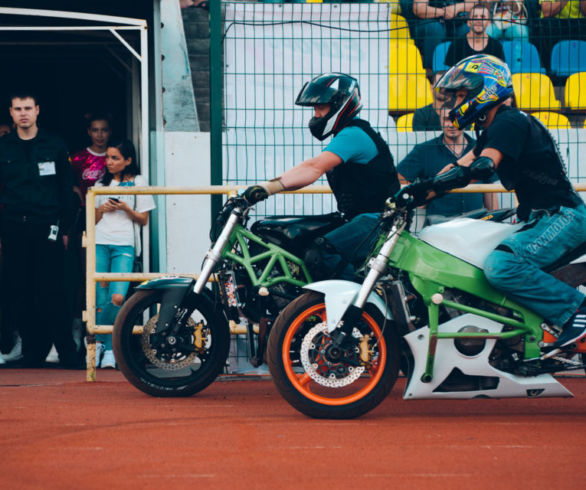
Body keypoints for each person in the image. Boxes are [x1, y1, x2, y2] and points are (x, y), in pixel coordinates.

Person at [399, 54, 586, 350]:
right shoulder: (497, 128)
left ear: (485, 90)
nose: (457, 103)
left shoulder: (509, 122)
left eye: (463, 95)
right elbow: (460, 167)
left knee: (501, 265)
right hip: (540, 216)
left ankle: (579, 311)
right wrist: (417, 193)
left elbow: (484, 165)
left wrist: (445, 181)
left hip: (562, 216)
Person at [241, 73, 400, 280]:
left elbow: (313, 168)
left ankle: (367, 301)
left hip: (378, 221)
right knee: (287, 237)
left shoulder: (354, 134)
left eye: (320, 108)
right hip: (358, 219)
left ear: (340, 105)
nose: (316, 115)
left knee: (320, 254)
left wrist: (268, 187)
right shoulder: (346, 134)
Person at [0, 91, 79, 368]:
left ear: (37, 111)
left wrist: (66, 228)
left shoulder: (54, 145)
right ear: (10, 113)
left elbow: (66, 190)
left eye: (28, 108)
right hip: (13, 228)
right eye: (18, 108)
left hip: (47, 227)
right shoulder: (4, 147)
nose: (23, 113)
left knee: (52, 291)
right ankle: (32, 351)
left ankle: (67, 352)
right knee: (19, 292)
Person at [94, 138, 155, 368]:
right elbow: (93, 220)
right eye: (107, 157)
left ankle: (107, 346)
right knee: (100, 299)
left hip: (125, 245)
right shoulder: (101, 183)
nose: (109, 162)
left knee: (117, 297)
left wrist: (126, 208)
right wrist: (102, 208)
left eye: (115, 158)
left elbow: (144, 219)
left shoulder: (139, 181)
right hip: (100, 242)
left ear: (128, 160)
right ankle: (104, 347)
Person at [398, 103, 498, 223]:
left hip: (474, 224)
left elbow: (490, 189)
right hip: (437, 226)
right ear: (440, 118)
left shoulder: (481, 149)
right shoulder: (424, 150)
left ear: (466, 119)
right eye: (446, 119)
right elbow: (400, 177)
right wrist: (417, 199)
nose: (451, 124)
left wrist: (493, 222)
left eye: (456, 119)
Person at [410, 0, 473, 69]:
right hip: (430, 21)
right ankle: (431, 72)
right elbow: (418, 9)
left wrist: (457, 8)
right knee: (435, 29)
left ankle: (466, 71)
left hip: (457, 21)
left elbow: (474, 4)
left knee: (468, 29)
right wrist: (443, 12)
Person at [533, 0, 586, 71]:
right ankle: (552, 72)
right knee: (548, 26)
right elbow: (547, 12)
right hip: (554, 26)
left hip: (577, 25)